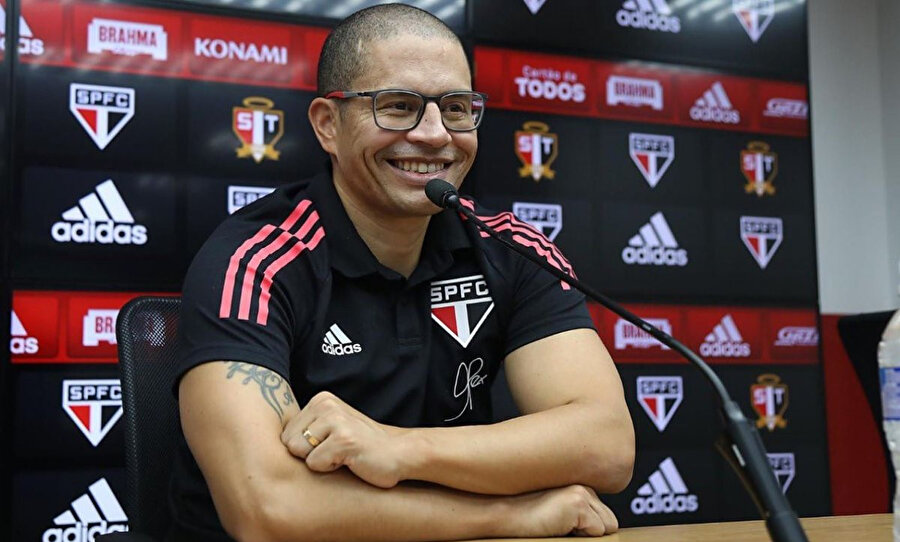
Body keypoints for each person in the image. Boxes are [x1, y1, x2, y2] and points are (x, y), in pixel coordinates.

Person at [171, 4, 634, 541]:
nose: (436, 135)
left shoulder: (513, 249)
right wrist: (509, 517)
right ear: (327, 124)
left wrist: (398, 448)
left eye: (456, 108)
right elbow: (266, 509)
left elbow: (606, 447)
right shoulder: (254, 259)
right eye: (398, 106)